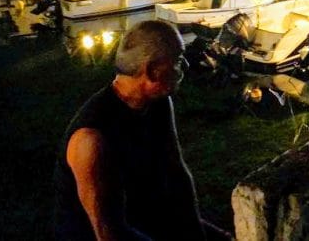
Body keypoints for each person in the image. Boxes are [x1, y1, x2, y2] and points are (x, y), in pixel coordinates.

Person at [54, 20, 207, 240]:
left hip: (140, 220)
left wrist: (197, 233)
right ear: (152, 71)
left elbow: (176, 175)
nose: (185, 68)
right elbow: (108, 232)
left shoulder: (157, 103)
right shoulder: (91, 140)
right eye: (178, 60)